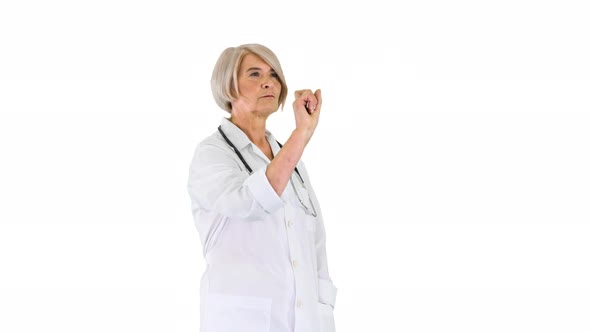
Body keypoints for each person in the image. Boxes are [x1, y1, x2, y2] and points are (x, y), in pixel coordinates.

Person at [187, 43, 337, 332]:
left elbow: (314, 240)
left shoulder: (288, 157)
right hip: (242, 321)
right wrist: (301, 132)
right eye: (254, 74)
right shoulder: (211, 154)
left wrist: (323, 310)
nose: (268, 81)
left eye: (274, 75)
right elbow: (252, 202)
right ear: (227, 87)